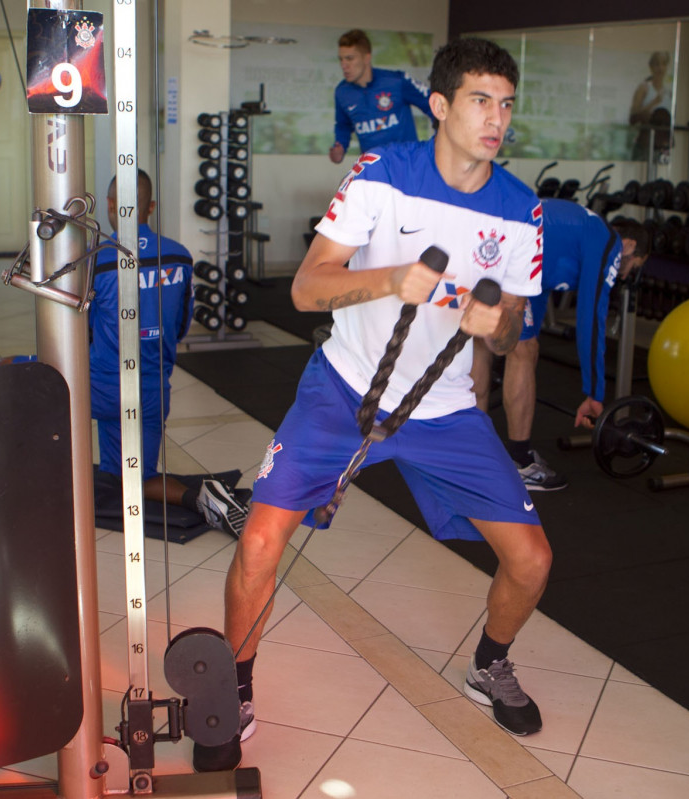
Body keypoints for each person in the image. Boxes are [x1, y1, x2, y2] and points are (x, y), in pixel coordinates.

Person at [195, 37, 550, 773]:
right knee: (260, 542)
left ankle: (489, 664)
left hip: (447, 409)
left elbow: (515, 321)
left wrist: (499, 325)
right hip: (345, 387)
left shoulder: (522, 209)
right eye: (482, 100)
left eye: (507, 104)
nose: (497, 119)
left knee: (532, 559)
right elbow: (305, 289)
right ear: (441, 105)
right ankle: (235, 686)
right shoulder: (381, 175)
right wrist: (392, 279)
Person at [91, 170, 249, 537]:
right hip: (151, 391)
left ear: (111, 206)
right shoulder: (180, 257)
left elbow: (81, 336)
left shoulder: (96, 260)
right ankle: (204, 499)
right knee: (137, 477)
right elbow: (180, 327)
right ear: (152, 207)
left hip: (98, 388)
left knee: (20, 373)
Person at [471, 200, 650, 491]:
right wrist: (594, 392)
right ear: (629, 245)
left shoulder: (576, 231)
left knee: (483, 344)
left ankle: (472, 456)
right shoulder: (609, 242)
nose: (626, 275)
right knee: (523, 353)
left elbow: (536, 287)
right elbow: (591, 316)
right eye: (633, 265)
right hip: (507, 254)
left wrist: (526, 336)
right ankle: (520, 464)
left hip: (486, 248)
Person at [329, 28, 435, 164]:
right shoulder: (342, 92)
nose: (344, 65)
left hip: (408, 165)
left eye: (350, 58)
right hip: (374, 169)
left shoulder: (397, 81)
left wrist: (440, 143)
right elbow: (343, 125)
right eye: (341, 59)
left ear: (367, 58)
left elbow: (433, 105)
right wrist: (340, 146)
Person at [629, 51, 672, 161]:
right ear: (651, 67)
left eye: (663, 64)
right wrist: (653, 102)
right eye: (657, 64)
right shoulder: (644, 88)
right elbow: (633, 115)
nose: (660, 68)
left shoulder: (668, 92)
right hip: (644, 142)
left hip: (662, 144)